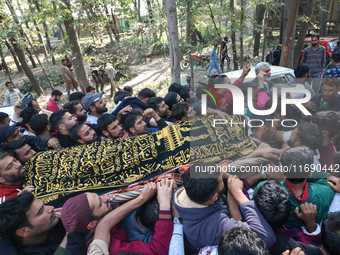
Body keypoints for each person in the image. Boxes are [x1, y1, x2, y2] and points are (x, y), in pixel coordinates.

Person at [173, 162, 275, 251]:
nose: (223, 177)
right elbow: (266, 237)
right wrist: (238, 193)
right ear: (215, 197)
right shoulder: (212, 227)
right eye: (221, 180)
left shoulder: (195, 189)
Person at [62, 180, 174, 255]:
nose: (106, 198)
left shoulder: (77, 222)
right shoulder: (110, 249)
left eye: (99, 196)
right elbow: (158, 250)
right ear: (92, 224)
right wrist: (165, 205)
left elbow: (104, 224)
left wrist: (117, 204)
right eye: (101, 203)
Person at [254, 146, 335, 229]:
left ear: (282, 169)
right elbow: (330, 178)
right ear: (310, 173)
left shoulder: (264, 189)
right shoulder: (325, 192)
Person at [0, 191, 66, 255]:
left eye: (44, 205)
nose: (51, 208)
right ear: (23, 232)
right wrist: (70, 233)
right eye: (41, 211)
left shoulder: (52, 222)